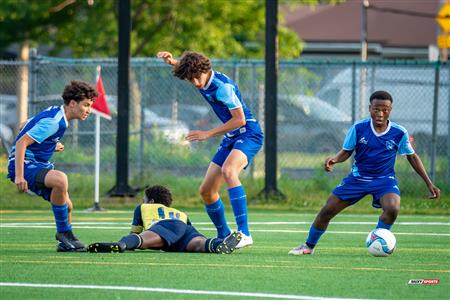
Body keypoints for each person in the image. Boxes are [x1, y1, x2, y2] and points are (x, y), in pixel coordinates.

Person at [289, 90, 441, 256]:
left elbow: (412, 156)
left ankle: (379, 239)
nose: (380, 114)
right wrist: (334, 160)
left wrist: (429, 183)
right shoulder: (359, 128)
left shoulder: (399, 132)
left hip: (385, 180)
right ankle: (308, 246)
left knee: (393, 208)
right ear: (370, 108)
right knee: (327, 211)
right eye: (376, 109)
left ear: (390, 110)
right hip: (357, 179)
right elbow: (347, 151)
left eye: (385, 110)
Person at [156, 51, 264, 248]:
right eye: (190, 79)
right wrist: (172, 62)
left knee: (229, 170)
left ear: (205, 70)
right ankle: (225, 235)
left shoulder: (223, 88)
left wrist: (208, 133)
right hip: (232, 136)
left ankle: (244, 233)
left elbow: (239, 120)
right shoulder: (197, 72)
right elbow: (189, 65)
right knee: (206, 191)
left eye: (197, 77)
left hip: (249, 133)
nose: (196, 82)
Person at [7, 80, 98, 252]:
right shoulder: (55, 122)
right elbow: (21, 143)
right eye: (86, 105)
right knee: (60, 180)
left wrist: (48, 145)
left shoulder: (55, 112)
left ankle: (65, 243)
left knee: (67, 205)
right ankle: (64, 233)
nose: (89, 110)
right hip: (24, 165)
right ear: (72, 103)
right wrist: (19, 175)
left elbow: (23, 125)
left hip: (36, 164)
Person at [88, 185, 242, 254]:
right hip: (184, 228)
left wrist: (129, 241)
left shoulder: (144, 208)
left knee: (140, 239)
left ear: (152, 201)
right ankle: (218, 244)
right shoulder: (180, 212)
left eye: (144, 199)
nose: (143, 202)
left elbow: (134, 232)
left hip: (164, 226)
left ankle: (120, 245)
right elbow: (187, 229)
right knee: (199, 244)